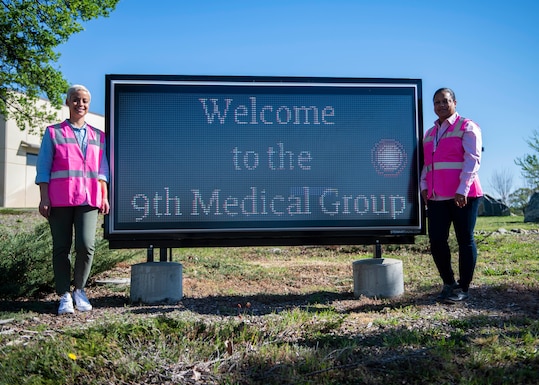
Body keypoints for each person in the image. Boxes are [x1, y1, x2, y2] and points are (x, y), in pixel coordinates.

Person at [36, 85, 110, 315]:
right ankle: (64, 295)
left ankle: (79, 289)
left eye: (85, 101)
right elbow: (43, 168)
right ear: (67, 102)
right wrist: (44, 198)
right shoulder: (53, 132)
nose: (81, 104)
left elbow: (102, 169)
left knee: (87, 245)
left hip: (88, 198)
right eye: (76, 100)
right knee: (61, 248)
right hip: (60, 199)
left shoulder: (99, 136)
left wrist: (104, 196)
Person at [420, 87, 483, 303]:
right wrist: (423, 186)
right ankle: (449, 284)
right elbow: (427, 164)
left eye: (445, 101)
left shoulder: (467, 126)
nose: (441, 106)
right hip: (437, 196)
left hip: (463, 195)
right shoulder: (429, 133)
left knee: (465, 240)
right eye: (436, 102)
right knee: (437, 240)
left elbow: (472, 160)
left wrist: (462, 189)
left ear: (454, 102)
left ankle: (463, 288)